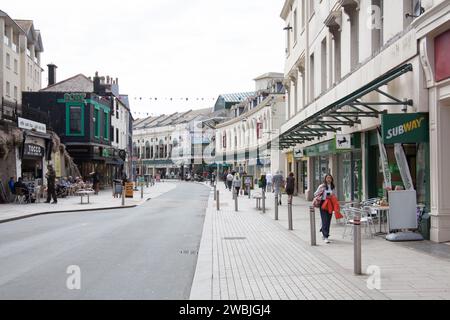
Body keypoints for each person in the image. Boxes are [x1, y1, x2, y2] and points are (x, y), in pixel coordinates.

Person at [314, 174, 336, 244]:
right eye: (327, 178)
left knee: (328, 220)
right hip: (323, 204)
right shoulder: (322, 186)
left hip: (330, 204)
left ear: (332, 179)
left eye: (330, 178)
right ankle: (325, 236)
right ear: (325, 179)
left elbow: (335, 195)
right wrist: (321, 193)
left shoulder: (332, 187)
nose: (329, 179)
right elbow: (315, 194)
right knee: (324, 219)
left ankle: (324, 232)